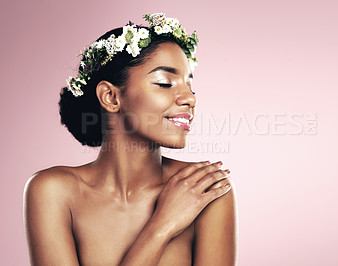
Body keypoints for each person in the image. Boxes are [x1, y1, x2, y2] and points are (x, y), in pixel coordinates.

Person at [23, 13, 237, 266]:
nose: (190, 99)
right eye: (165, 83)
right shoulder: (53, 191)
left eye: (190, 87)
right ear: (111, 97)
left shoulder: (204, 190)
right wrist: (162, 225)